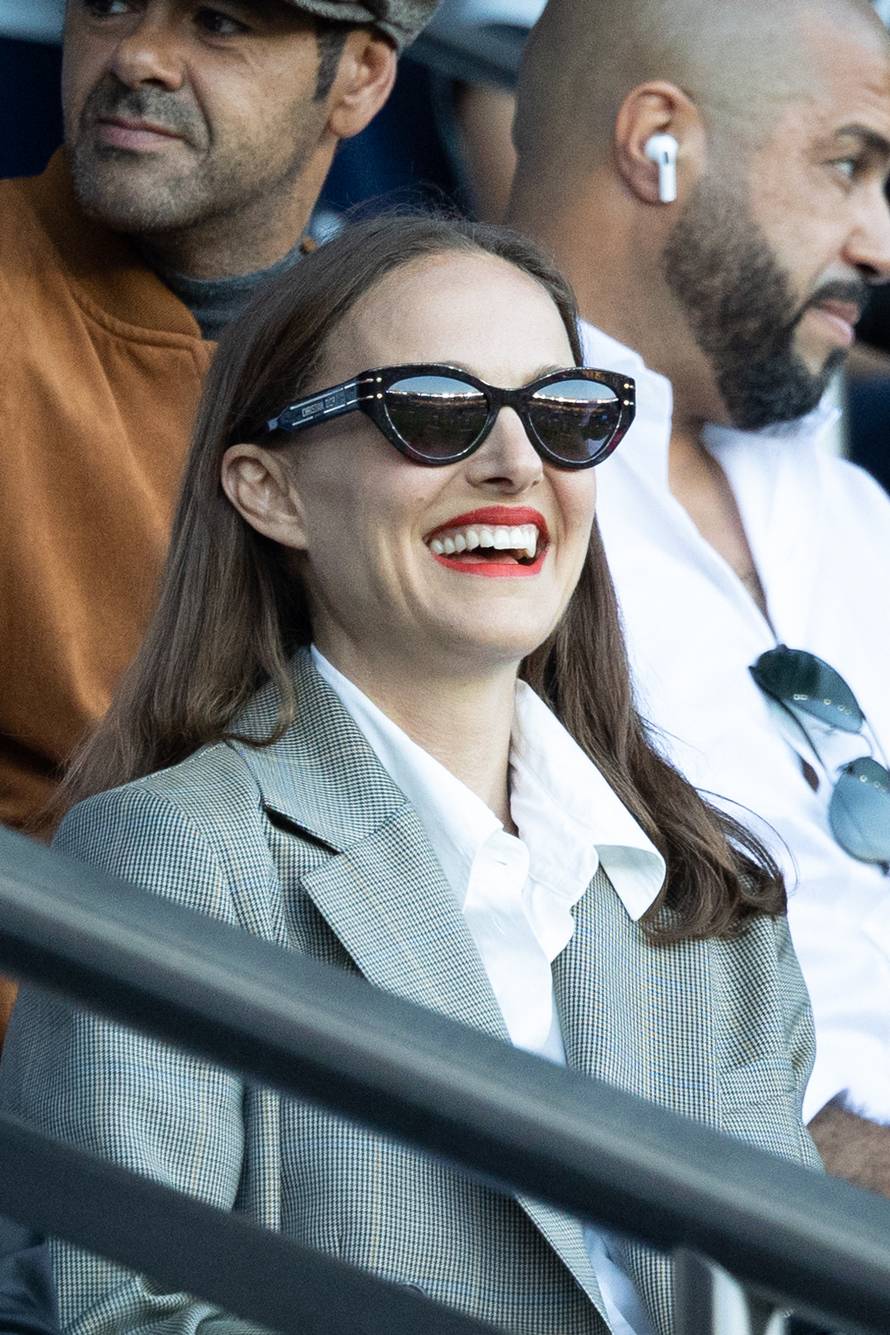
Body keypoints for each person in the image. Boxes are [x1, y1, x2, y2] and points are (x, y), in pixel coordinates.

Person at [0, 215, 819, 1335]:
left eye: (563, 415)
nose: (514, 464)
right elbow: (117, 1318)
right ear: (268, 490)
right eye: (433, 410)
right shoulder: (168, 855)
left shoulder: (713, 894)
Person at [508, 0, 890, 1190]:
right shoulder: (458, 493)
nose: (877, 241)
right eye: (847, 165)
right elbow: (603, 1012)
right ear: (657, 142)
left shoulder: (849, 516)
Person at [0, 0, 438, 1037]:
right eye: (107, 4)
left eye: (219, 21)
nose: (140, 56)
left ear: (361, 79)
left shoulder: (427, 391)